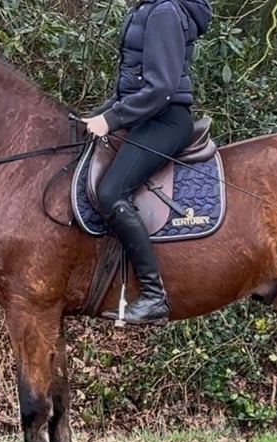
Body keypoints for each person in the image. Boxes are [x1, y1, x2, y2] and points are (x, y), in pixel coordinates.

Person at [83, 0, 213, 325]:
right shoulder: (146, 8)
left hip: (165, 120)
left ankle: (154, 296)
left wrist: (112, 120)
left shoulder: (164, 12)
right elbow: (131, 85)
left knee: (111, 192)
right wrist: (102, 113)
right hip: (145, 116)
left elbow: (162, 89)